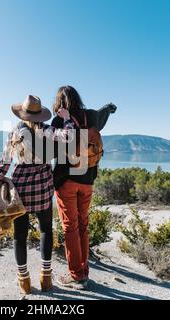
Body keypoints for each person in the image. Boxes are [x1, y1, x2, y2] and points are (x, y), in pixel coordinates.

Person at [0, 94, 75, 294]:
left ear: (24, 114)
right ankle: (46, 278)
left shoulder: (15, 132)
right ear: (40, 115)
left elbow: (5, 160)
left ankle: (24, 282)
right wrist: (68, 119)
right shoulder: (46, 130)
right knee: (46, 229)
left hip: (21, 187)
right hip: (43, 185)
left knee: (20, 236)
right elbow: (70, 137)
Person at [51, 85, 116, 290]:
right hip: (88, 181)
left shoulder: (59, 120)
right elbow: (104, 113)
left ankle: (76, 276)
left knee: (70, 228)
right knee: (83, 226)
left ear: (59, 102)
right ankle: (84, 272)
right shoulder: (92, 116)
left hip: (66, 182)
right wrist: (110, 107)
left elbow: (51, 150)